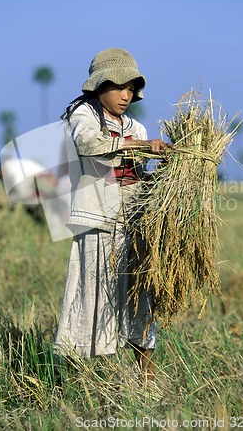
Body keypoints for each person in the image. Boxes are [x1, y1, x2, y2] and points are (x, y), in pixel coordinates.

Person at [55, 48, 172, 381]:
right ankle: (78, 383)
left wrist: (165, 171)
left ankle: (145, 383)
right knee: (91, 300)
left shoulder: (135, 124)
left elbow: (136, 175)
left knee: (140, 298)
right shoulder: (82, 115)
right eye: (119, 86)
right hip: (97, 222)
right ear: (99, 86)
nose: (126, 95)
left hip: (132, 222)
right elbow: (88, 145)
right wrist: (139, 146)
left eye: (131, 88)